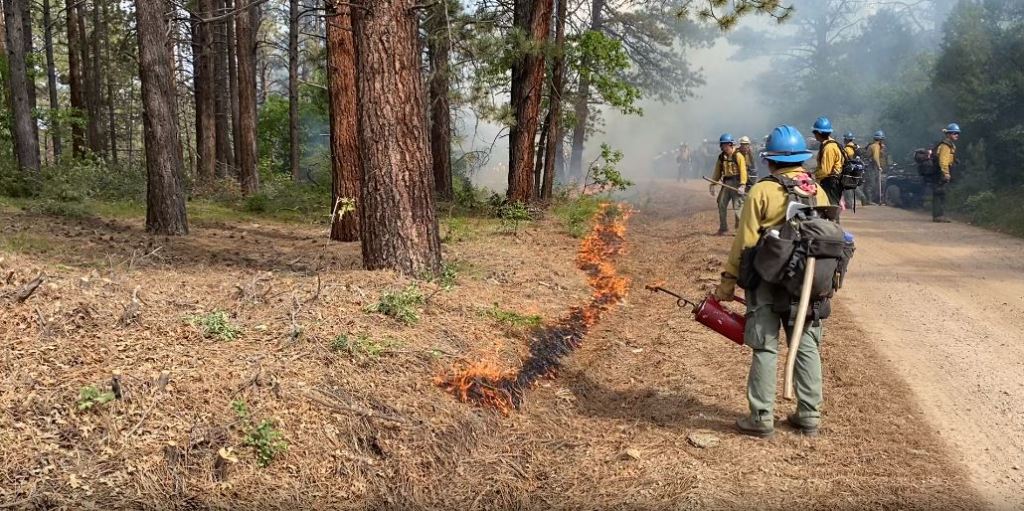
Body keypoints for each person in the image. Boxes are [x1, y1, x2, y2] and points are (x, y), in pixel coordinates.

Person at [713, 124, 830, 438]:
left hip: (766, 281)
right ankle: (808, 415)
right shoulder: (816, 188)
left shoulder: (762, 190)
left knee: (765, 347)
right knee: (805, 347)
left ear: (769, 160)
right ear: (802, 158)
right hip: (805, 285)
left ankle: (761, 418)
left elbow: (745, 242)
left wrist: (728, 283)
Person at [709, 133, 748, 235]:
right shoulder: (721, 157)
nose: (723, 147)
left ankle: (739, 230)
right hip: (726, 182)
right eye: (722, 145)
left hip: (737, 183)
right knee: (721, 203)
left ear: (731, 144)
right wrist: (713, 184)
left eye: (726, 144)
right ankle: (723, 228)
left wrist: (743, 185)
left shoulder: (738, 156)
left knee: (738, 206)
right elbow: (717, 172)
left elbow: (743, 171)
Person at [810, 117, 844, 206]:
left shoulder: (829, 148)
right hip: (829, 182)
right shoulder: (827, 144)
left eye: (814, 132)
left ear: (819, 133)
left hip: (831, 183)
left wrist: (812, 176)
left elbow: (825, 171)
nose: (814, 134)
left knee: (830, 209)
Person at [932, 123, 960, 223]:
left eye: (957, 133)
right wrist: (946, 173)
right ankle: (938, 216)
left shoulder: (950, 144)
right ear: (949, 134)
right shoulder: (945, 145)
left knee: (942, 193)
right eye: (954, 133)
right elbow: (943, 160)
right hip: (941, 171)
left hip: (943, 171)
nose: (957, 135)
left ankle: (940, 215)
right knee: (939, 192)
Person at [842, 132, 869, 207]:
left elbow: (848, 159)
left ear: (846, 139)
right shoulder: (856, 146)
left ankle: (849, 204)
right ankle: (862, 196)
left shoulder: (847, 148)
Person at [865, 131, 888, 204]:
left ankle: (873, 199)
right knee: (871, 184)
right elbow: (875, 157)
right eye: (882, 139)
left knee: (874, 183)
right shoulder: (875, 146)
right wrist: (879, 167)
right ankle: (869, 200)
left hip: (873, 167)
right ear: (880, 139)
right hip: (871, 167)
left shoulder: (878, 146)